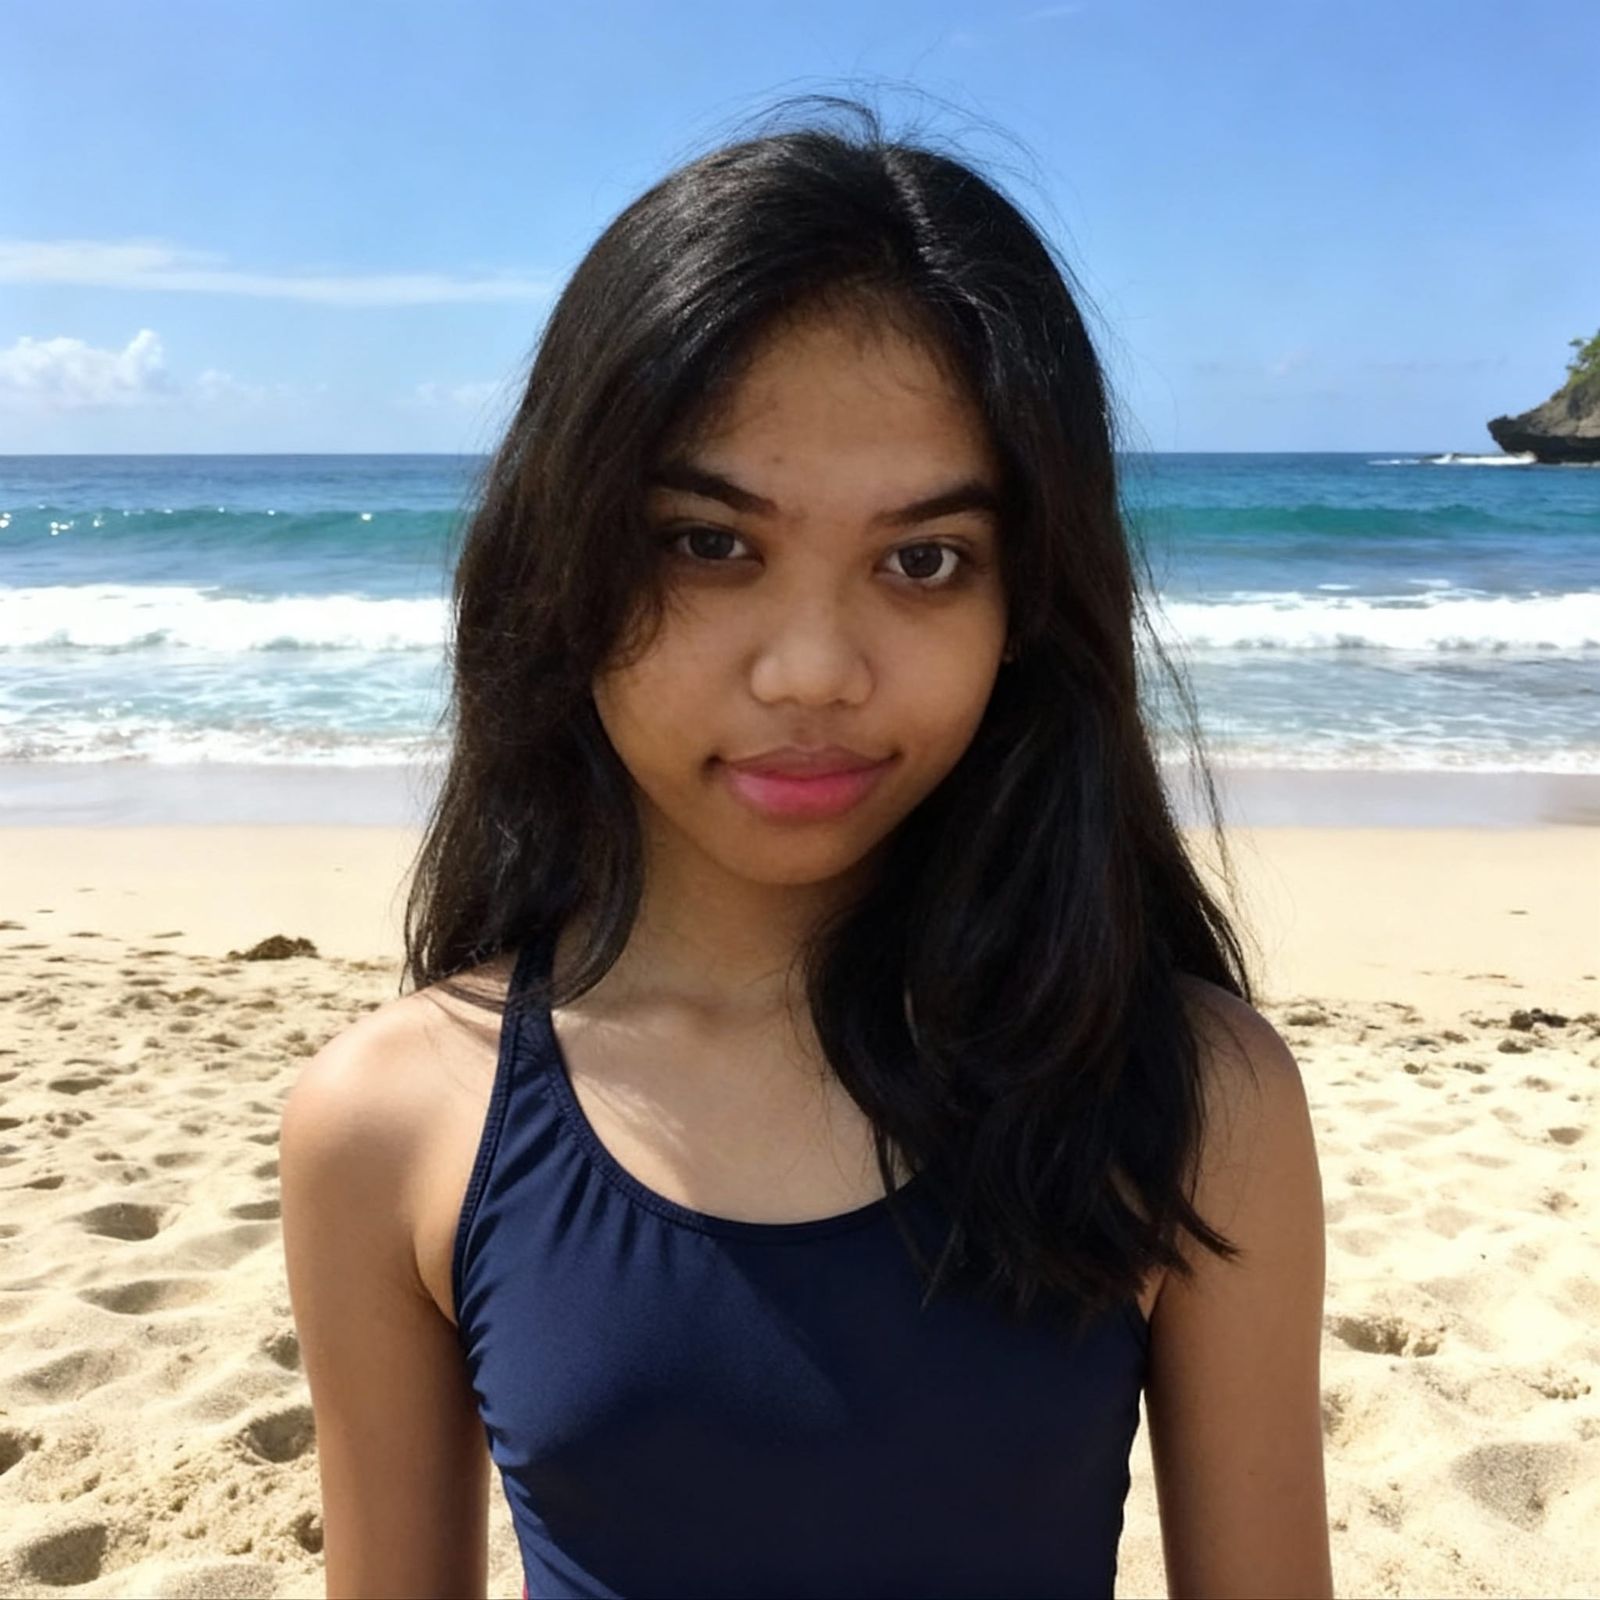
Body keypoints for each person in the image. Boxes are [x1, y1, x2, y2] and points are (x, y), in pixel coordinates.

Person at [279, 94, 1333, 1600]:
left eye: (924, 559)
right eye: (709, 544)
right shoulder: (391, 1122)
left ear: (1026, 607)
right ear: (565, 554)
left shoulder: (1189, 1096)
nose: (814, 672)